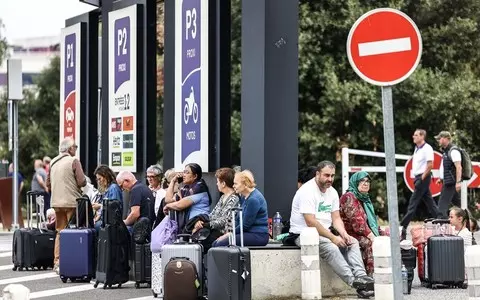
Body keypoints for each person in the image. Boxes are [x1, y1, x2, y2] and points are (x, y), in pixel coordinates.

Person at [289, 160, 374, 298]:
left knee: (352, 241)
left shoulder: (332, 192)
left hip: (325, 233)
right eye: (326, 175)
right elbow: (310, 222)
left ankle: (362, 277)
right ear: (317, 174)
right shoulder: (307, 191)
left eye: (332, 176)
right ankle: (354, 282)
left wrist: (344, 234)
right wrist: (333, 238)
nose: (330, 179)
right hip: (304, 234)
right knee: (332, 247)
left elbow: (336, 218)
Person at [46, 137, 87, 274]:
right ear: (70, 149)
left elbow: (48, 185)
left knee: (60, 231)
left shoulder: (52, 162)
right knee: (74, 231)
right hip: (71, 202)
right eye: (75, 146)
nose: (76, 149)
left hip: (56, 203)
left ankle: (57, 262)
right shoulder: (73, 161)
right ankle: (73, 260)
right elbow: (82, 182)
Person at [340, 171, 385, 276]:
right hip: (350, 233)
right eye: (362, 181)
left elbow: (371, 222)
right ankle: (371, 278)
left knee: (389, 239)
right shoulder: (349, 197)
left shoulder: (365, 198)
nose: (366, 183)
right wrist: (373, 237)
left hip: (362, 232)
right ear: (355, 182)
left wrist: (382, 234)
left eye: (367, 181)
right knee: (370, 243)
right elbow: (358, 223)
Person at [212, 170, 269, 247]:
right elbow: (238, 219)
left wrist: (230, 234)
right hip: (247, 233)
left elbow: (245, 225)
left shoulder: (253, 199)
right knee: (215, 243)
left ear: (245, 184)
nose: (233, 186)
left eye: (236, 183)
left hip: (258, 235)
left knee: (220, 243)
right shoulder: (244, 197)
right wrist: (229, 233)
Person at [400, 129, 440, 240]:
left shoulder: (427, 148)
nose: (413, 136)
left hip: (423, 177)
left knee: (413, 203)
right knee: (430, 203)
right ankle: (442, 223)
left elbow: (430, 165)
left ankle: (402, 228)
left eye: (416, 135)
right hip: (419, 177)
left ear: (422, 136)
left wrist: (421, 179)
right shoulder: (417, 148)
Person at [163, 163, 211, 230]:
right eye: (184, 172)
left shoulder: (199, 187)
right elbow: (168, 200)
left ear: (195, 176)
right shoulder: (186, 188)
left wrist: (168, 206)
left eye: (187, 172)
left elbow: (179, 205)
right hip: (190, 225)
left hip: (200, 224)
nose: (183, 175)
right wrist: (173, 181)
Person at [192, 167, 240, 235]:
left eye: (217, 182)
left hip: (224, 234)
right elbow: (213, 215)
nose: (216, 184)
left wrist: (206, 225)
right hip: (215, 230)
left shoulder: (234, 198)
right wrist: (201, 222)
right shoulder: (223, 197)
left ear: (223, 184)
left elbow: (224, 220)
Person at [435, 131, 462, 218]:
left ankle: (441, 227)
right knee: (459, 206)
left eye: (440, 138)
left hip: (451, 182)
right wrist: (441, 178)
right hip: (448, 181)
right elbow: (447, 167)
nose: (439, 140)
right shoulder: (446, 151)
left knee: (441, 208)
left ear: (446, 139)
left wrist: (458, 182)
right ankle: (470, 224)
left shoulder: (453, 151)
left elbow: (459, 167)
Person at [93, 165, 123, 231]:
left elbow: (114, 207)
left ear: (106, 176)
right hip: (106, 222)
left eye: (100, 179)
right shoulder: (108, 189)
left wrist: (100, 206)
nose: (99, 182)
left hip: (110, 224)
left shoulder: (113, 188)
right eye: (97, 179)